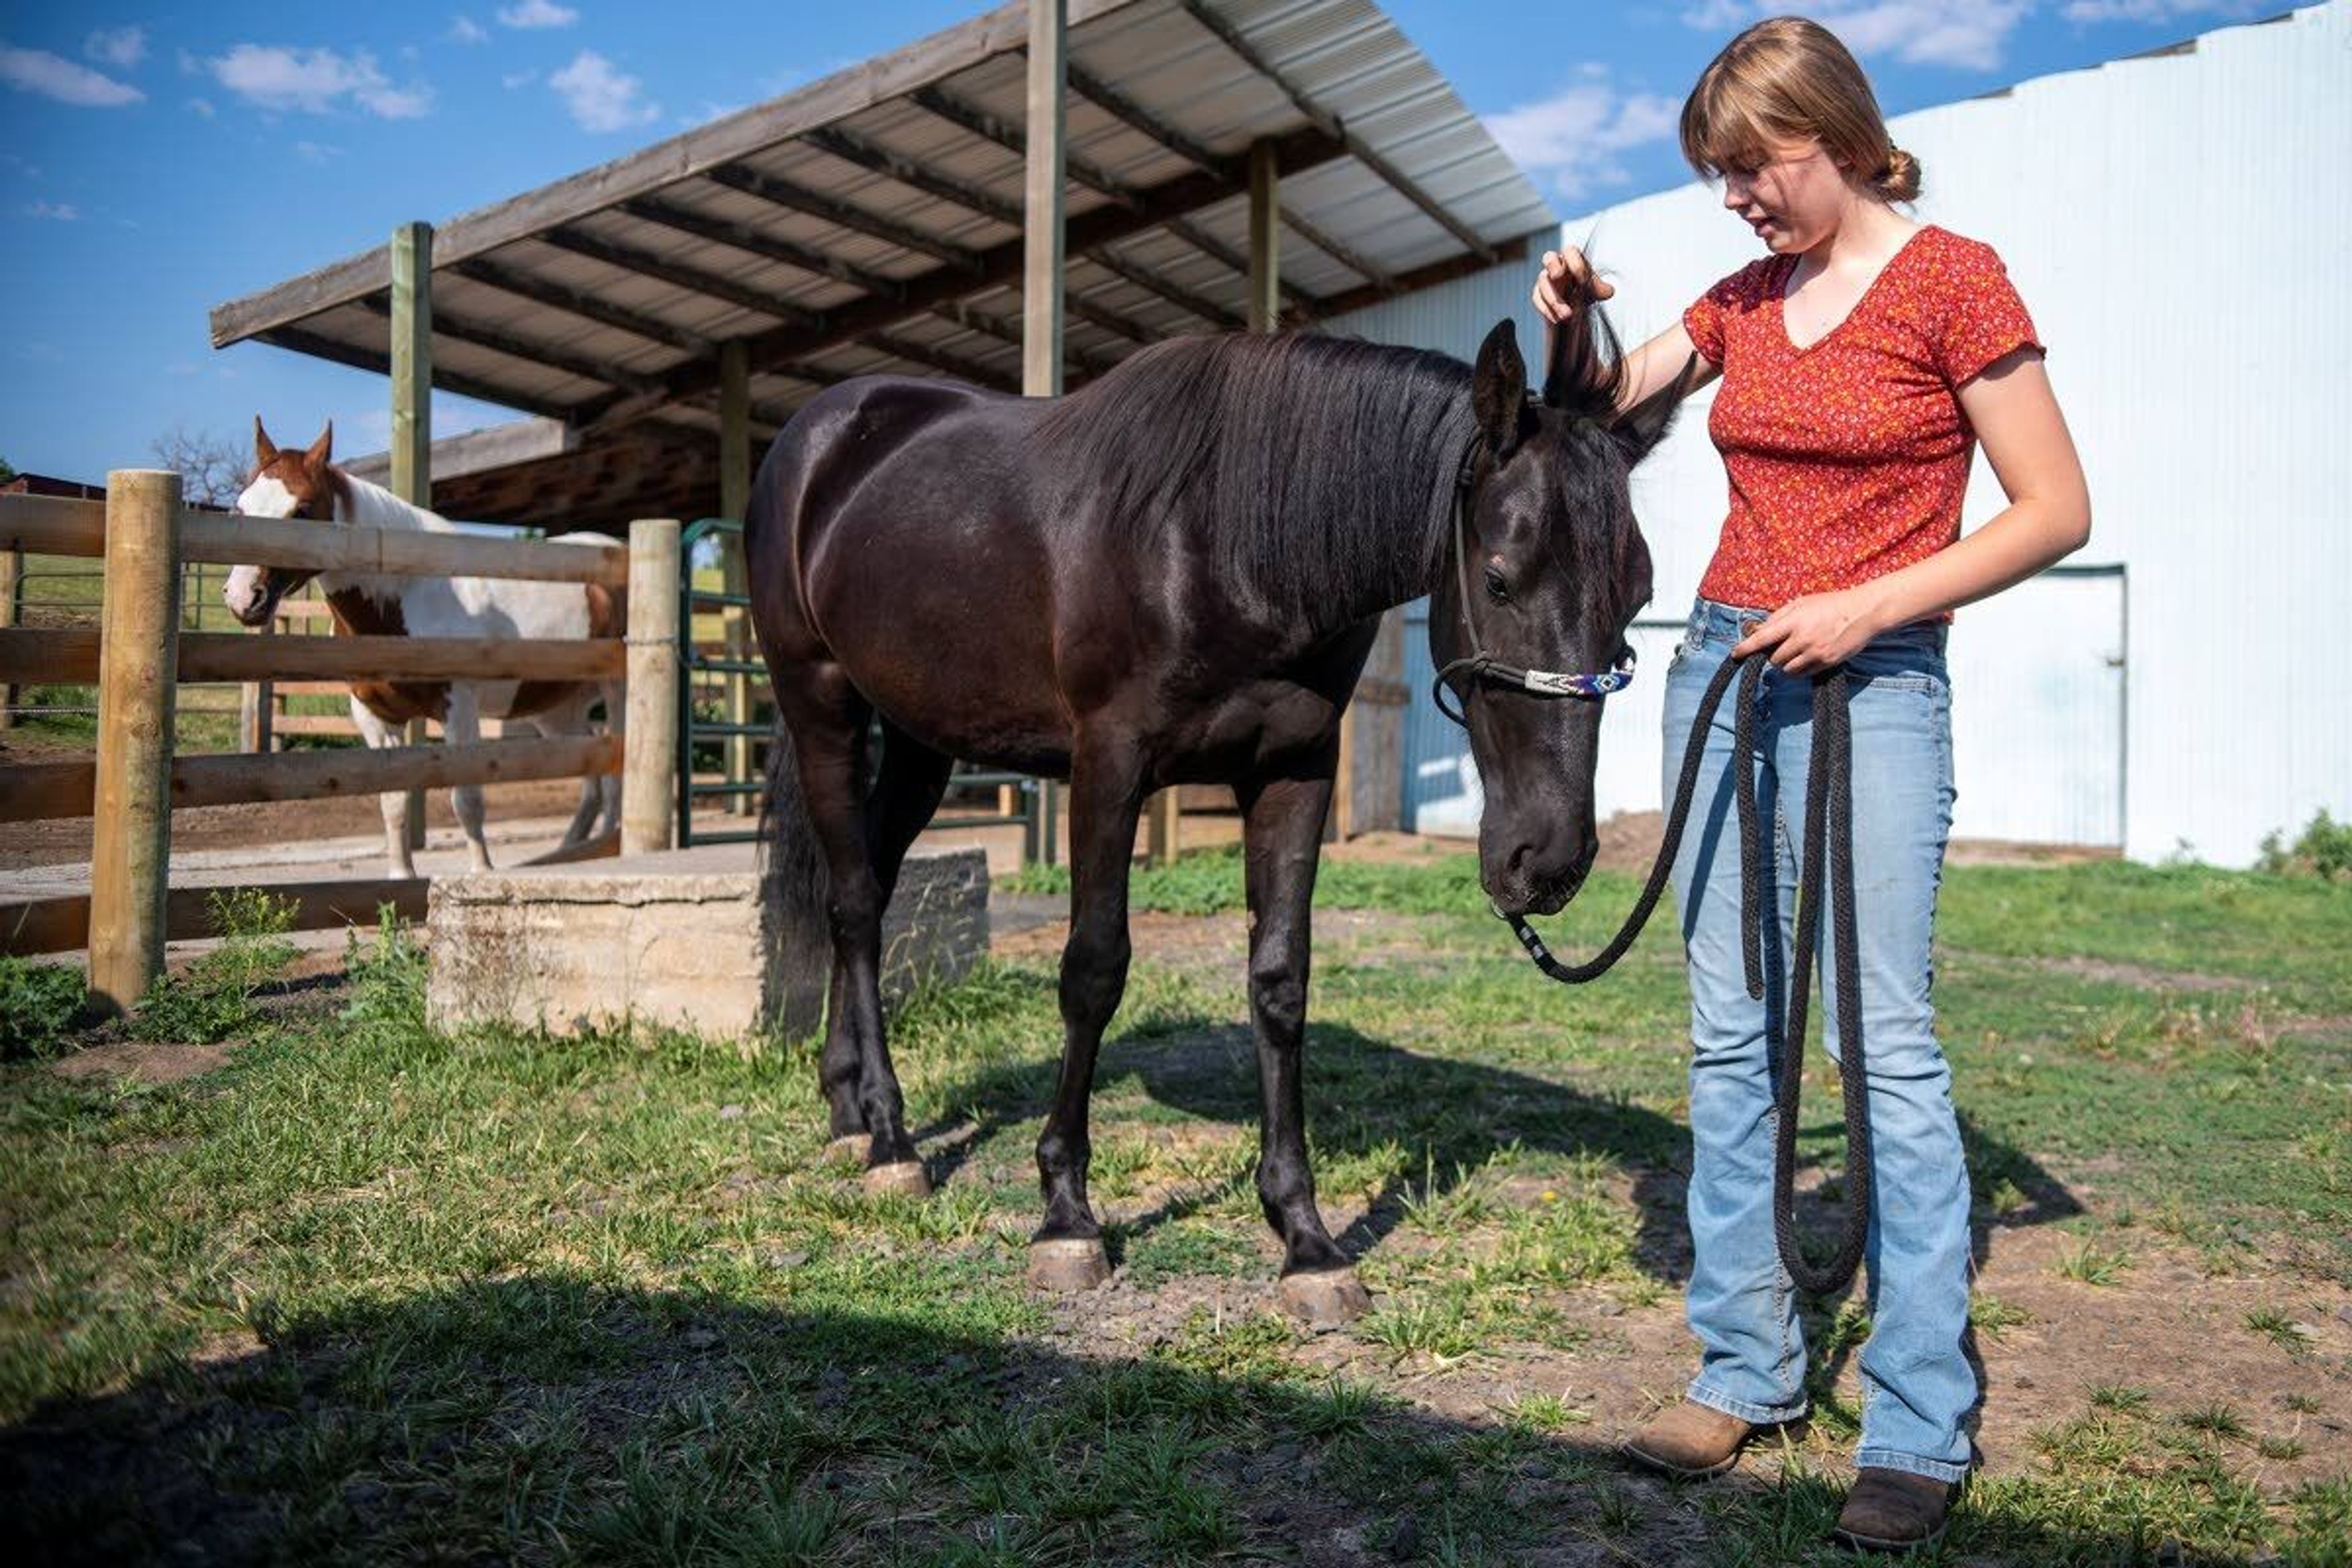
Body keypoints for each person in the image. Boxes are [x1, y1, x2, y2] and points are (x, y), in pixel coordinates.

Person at [1532, 15, 2090, 1555]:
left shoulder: (1956, 281)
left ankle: (1917, 1411)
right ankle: (1746, 1363)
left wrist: (1873, 603)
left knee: (1884, 1042)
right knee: (1733, 1027)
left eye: (1753, 168)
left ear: (1836, 131)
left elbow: (2054, 507)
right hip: (1723, 666)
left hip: (1878, 681)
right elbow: (1600, 407)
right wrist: (1573, 319)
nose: (1739, 201)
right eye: (1718, 178)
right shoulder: (1745, 298)